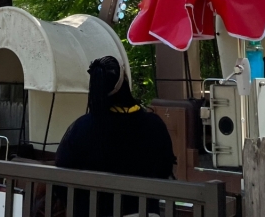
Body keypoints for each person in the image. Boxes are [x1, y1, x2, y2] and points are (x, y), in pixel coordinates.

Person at [54, 57, 175, 216]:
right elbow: (165, 169)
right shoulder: (154, 125)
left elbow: (61, 176)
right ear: (125, 81)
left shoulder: (81, 128)